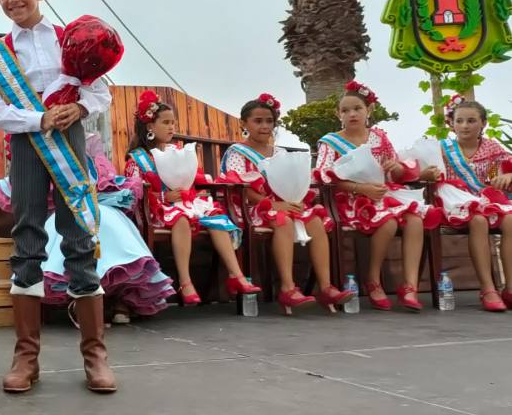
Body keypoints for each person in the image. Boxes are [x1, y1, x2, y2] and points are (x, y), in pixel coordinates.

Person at [0, 0, 116, 394]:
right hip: (26, 142)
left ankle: (95, 355)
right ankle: (26, 357)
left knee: (79, 234)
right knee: (27, 236)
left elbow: (100, 92)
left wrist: (79, 108)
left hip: (70, 139)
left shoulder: (69, 39)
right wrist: (38, 119)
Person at [0, 132, 175, 320]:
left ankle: (118, 299)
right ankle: (82, 299)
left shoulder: (91, 149)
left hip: (98, 205)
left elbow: (106, 178)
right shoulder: (39, 149)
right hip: (62, 208)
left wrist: (99, 188)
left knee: (110, 224)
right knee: (69, 226)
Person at [220, 93, 351, 314]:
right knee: (283, 221)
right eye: (258, 121)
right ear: (244, 123)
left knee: (315, 221)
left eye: (269, 121)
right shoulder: (237, 152)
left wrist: (295, 199)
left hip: (284, 205)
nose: (264, 126)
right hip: (252, 208)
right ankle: (288, 288)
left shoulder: (280, 153)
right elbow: (240, 187)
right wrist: (271, 205)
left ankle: (326, 287)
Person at [315, 81, 440, 312]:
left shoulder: (379, 137)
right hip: (351, 199)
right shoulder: (329, 141)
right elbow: (324, 178)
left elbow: (395, 174)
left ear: (368, 110)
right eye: (345, 110)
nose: (352, 114)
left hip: (384, 195)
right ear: (338, 114)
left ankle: (410, 286)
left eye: (357, 108)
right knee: (389, 221)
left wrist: (396, 167)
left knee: (415, 219)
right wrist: (360, 189)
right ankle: (373, 280)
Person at [126, 90, 259, 305]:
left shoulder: (177, 151)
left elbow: (194, 177)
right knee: (180, 218)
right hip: (157, 209)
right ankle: (185, 282)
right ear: (150, 126)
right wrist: (163, 196)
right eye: (166, 122)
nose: (171, 127)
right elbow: (134, 191)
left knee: (215, 217)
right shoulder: (137, 158)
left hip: (187, 203)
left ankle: (237, 275)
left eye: (173, 123)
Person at [435, 96, 512, 312]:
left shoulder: (492, 147)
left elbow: (507, 167)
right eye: (459, 121)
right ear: (451, 124)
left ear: (483, 123)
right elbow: (424, 173)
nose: (464, 126)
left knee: (510, 220)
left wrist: (508, 175)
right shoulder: (443, 148)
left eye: (471, 121)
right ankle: (488, 289)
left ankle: (510, 289)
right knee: (478, 221)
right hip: (455, 202)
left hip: (487, 201)